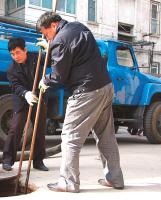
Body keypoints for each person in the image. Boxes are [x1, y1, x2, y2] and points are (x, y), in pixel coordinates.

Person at [36, 12, 124, 192]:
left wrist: (45, 80)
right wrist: (52, 45)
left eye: (46, 34)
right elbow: (75, 53)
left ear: (53, 25)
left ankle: (68, 182)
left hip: (86, 91)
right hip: (105, 86)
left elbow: (60, 76)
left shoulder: (59, 40)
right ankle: (115, 178)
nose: (46, 37)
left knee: (69, 137)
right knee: (106, 135)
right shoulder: (78, 27)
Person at [2, 37, 48, 172]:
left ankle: (38, 161)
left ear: (25, 50)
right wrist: (26, 94)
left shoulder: (37, 57)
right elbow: (15, 86)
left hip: (39, 97)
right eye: (12, 54)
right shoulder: (11, 69)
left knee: (39, 130)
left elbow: (53, 60)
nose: (15, 56)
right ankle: (7, 160)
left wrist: (48, 49)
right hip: (22, 99)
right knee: (16, 128)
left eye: (18, 52)